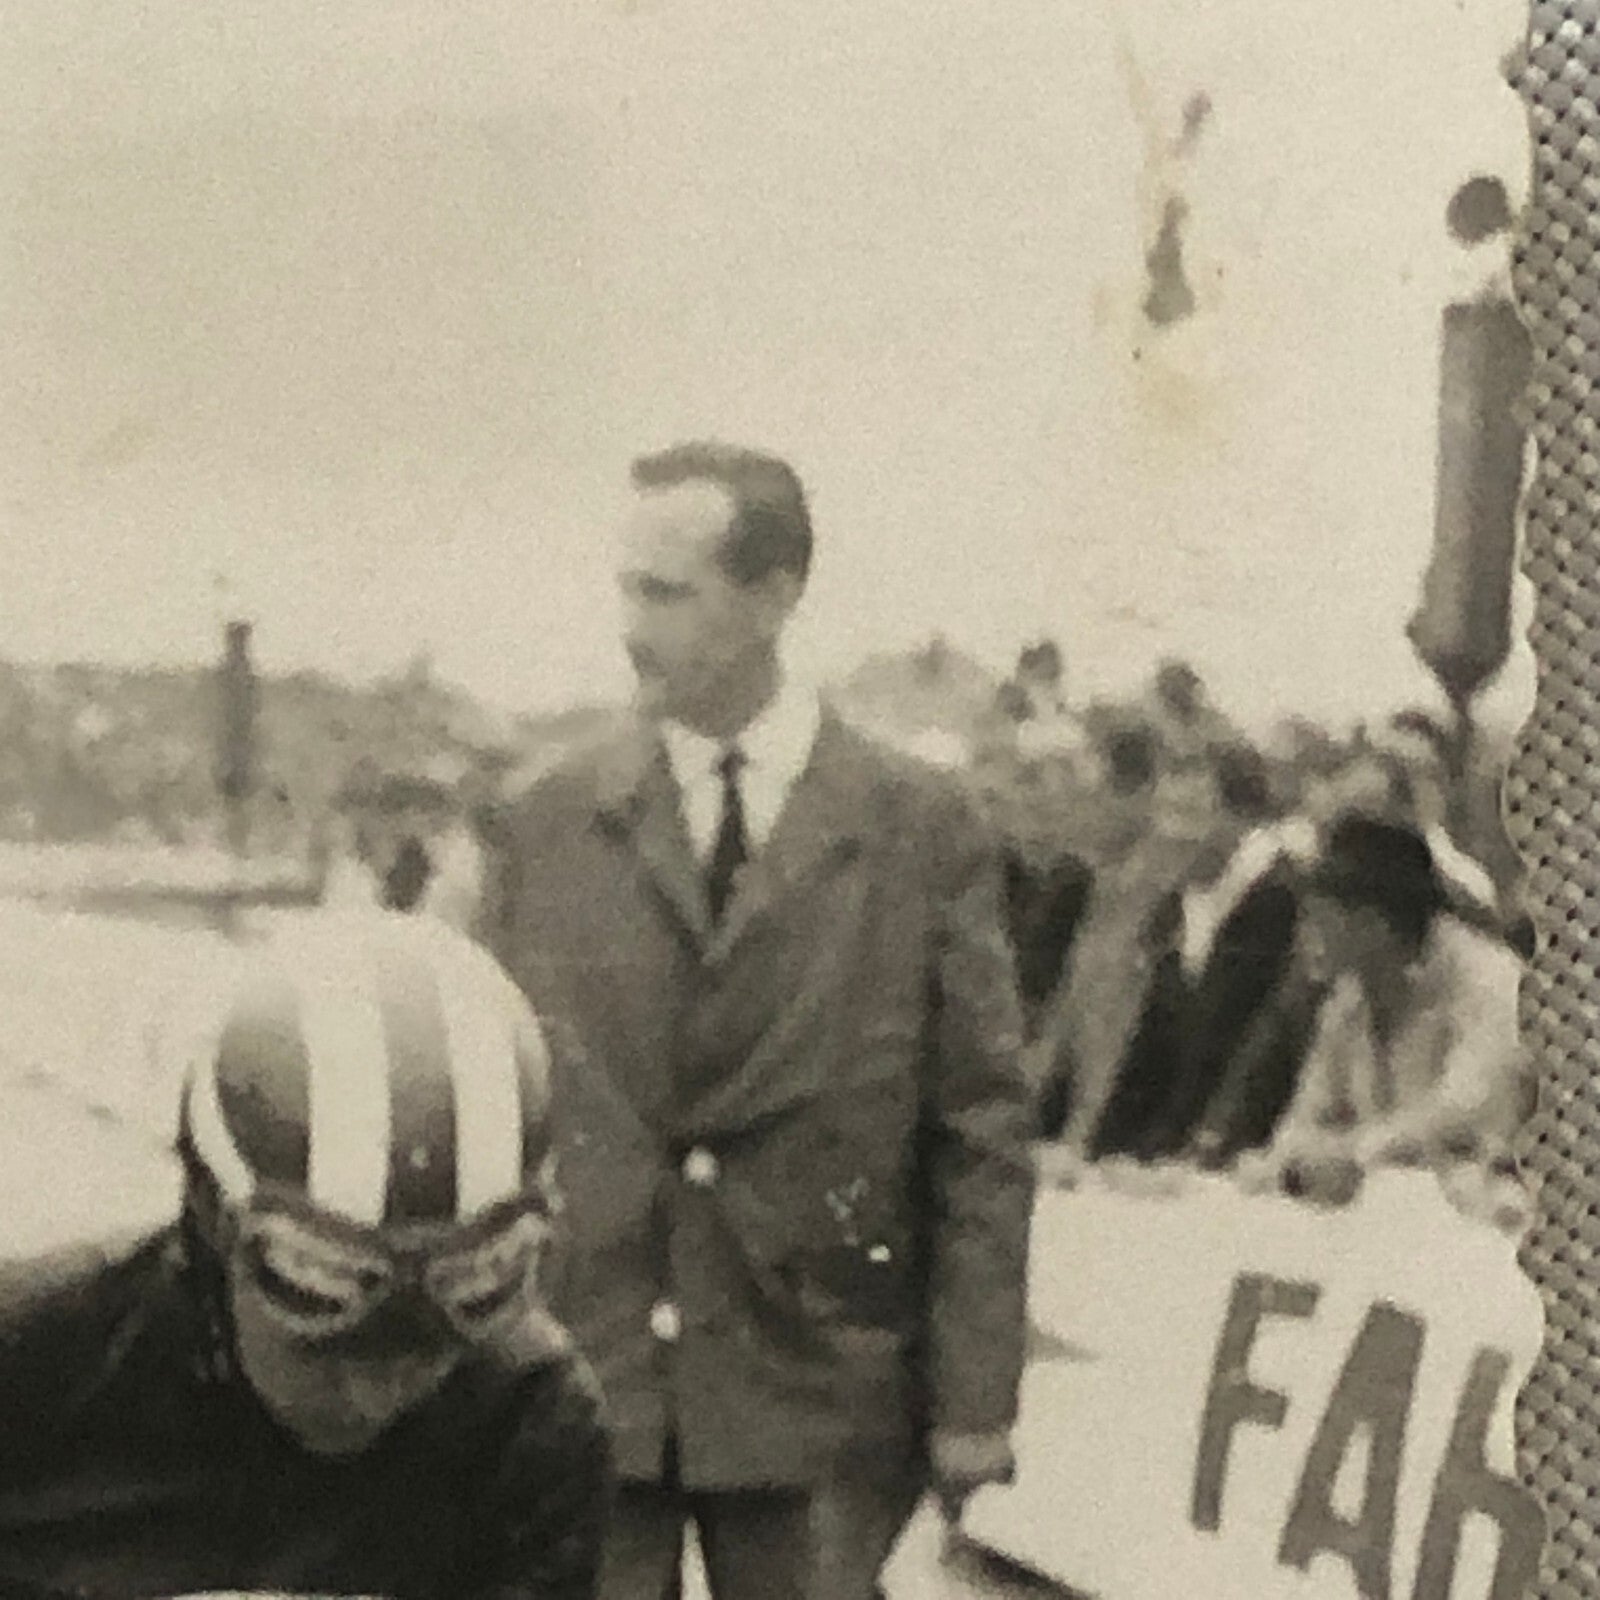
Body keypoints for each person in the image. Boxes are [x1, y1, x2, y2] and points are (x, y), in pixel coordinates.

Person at [474, 441, 1035, 1600]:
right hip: (594, 1373)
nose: (631, 627)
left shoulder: (918, 829)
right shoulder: (546, 823)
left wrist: (975, 1402)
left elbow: (978, 1130)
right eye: (626, 587)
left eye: (667, 594)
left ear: (777, 595)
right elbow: (490, 1108)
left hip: (819, 1391)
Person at [0, 912, 611, 1600]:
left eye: (432, 1346)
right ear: (214, 1238)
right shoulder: (32, 1367)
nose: (374, 1392)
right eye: (326, 1329)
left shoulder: (526, 1418)